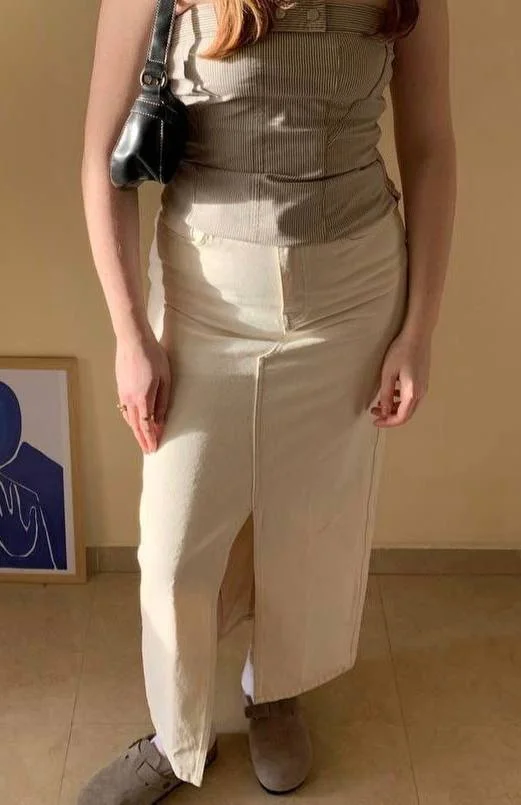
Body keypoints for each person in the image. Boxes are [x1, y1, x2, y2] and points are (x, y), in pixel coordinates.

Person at [79, 0, 456, 801]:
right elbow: (100, 157)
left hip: (353, 294)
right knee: (175, 548)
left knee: (307, 523)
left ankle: (274, 688)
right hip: (202, 297)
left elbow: (429, 148)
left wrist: (418, 331)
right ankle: (174, 735)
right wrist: (128, 333)